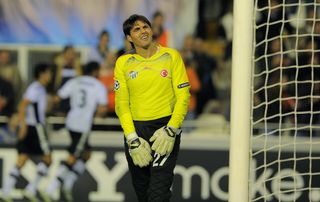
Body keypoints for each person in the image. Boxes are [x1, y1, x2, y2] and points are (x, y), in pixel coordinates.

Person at [114, 14, 190, 202]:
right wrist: (131, 138)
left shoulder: (171, 56)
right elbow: (121, 104)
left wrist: (172, 129)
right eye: (136, 29)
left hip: (164, 128)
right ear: (129, 38)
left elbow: (183, 96)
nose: (143, 31)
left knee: (158, 194)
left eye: (145, 27)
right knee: (144, 194)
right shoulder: (123, 63)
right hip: (136, 131)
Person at [40, 61, 107, 202]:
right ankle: (51, 188)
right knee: (74, 156)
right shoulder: (98, 86)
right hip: (83, 126)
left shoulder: (75, 81)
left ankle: (68, 184)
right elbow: (102, 110)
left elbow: (57, 98)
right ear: (95, 72)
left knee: (86, 154)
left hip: (71, 123)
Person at [0, 63, 53, 202]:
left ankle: (5, 191)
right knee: (48, 159)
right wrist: (22, 125)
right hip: (35, 127)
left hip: (31, 126)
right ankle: (31, 189)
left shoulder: (39, 88)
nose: (50, 76)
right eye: (48, 72)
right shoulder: (35, 88)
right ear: (42, 74)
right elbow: (22, 105)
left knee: (22, 159)